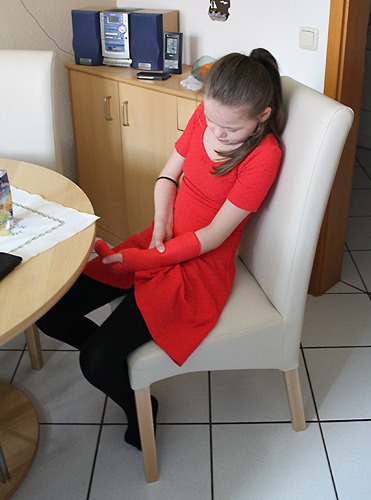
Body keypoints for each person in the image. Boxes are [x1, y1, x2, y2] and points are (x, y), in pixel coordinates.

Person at [36, 48, 284, 450]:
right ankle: (125, 366)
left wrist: (148, 258)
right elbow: (168, 175)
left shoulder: (264, 155)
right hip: (161, 241)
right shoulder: (207, 116)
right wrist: (161, 226)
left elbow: (214, 236)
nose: (216, 132)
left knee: (95, 360)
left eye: (230, 128)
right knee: (51, 313)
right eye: (212, 120)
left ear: (262, 115)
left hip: (199, 266)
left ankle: (139, 403)